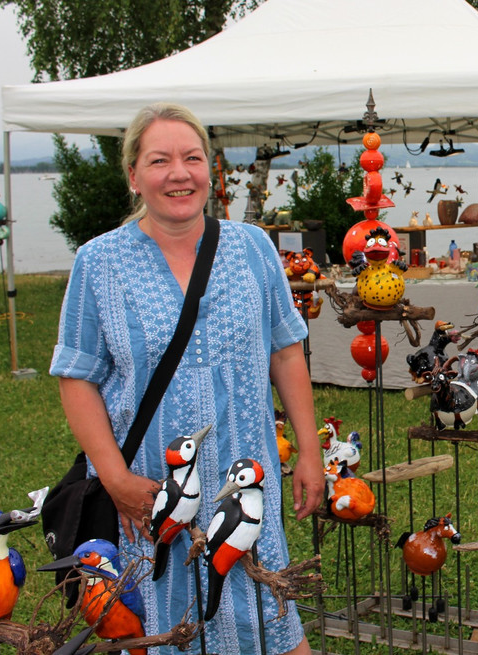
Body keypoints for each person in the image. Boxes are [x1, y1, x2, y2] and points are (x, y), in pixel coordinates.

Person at [50, 102, 324, 655]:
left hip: (247, 488)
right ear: (133, 176)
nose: (179, 173)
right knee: (163, 627)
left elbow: (287, 353)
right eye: (159, 161)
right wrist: (118, 481)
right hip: (151, 497)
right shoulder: (98, 264)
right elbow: (76, 378)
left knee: (268, 622)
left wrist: (311, 453)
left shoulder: (253, 249)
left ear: (210, 169)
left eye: (192, 158)